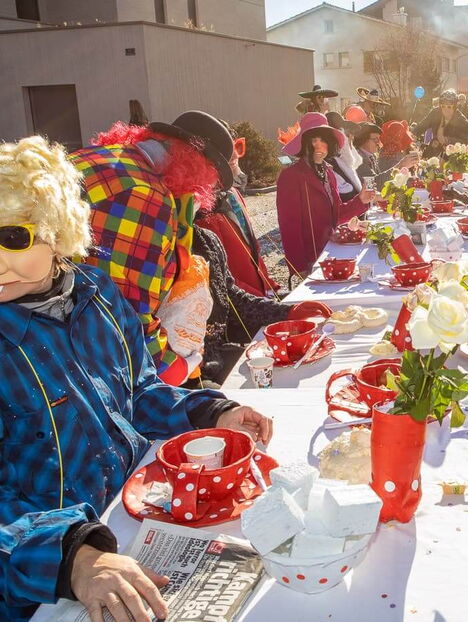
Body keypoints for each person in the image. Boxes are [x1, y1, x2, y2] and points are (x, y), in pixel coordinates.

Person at [0, 136, 274, 622]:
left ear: (57, 230)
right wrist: (73, 557)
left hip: (138, 524)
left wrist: (211, 411)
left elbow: (140, 391)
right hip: (44, 586)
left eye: (13, 237)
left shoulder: (97, 293)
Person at [70, 110, 233, 387]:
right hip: (75, 361)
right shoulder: (144, 194)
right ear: (199, 166)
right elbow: (125, 311)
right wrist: (173, 367)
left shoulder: (99, 158)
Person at [189, 225, 330, 385]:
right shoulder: (163, 255)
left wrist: (287, 312)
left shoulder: (206, 240)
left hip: (219, 358)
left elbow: (232, 299)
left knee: (300, 370)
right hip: (182, 382)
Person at [276, 113, 374, 277]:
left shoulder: (328, 172)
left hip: (332, 252)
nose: (319, 145)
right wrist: (298, 267)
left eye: (324, 140)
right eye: (314, 140)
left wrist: (360, 200)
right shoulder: (291, 176)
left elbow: (336, 215)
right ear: (304, 143)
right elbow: (289, 226)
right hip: (311, 260)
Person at [198, 122, 281, 298]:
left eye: (237, 145)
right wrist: (258, 300)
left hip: (259, 296)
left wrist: (269, 286)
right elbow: (218, 275)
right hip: (242, 302)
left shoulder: (233, 193)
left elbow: (253, 248)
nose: (235, 154)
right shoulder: (202, 210)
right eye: (226, 149)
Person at [354, 122, 419, 186]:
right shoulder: (358, 159)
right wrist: (400, 166)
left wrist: (412, 181)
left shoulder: (371, 156)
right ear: (363, 140)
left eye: (378, 139)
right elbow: (373, 184)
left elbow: (381, 178)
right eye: (375, 139)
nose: (378, 142)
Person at [415, 89, 468, 159]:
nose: (446, 109)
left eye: (449, 107)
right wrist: (413, 134)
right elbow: (422, 125)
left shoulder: (462, 121)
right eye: (443, 106)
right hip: (433, 150)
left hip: (453, 155)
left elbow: (464, 142)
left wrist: (447, 140)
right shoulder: (435, 113)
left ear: (455, 107)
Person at [325, 111, 363, 202]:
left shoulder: (339, 161)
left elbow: (354, 162)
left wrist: (350, 145)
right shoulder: (330, 163)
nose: (351, 137)